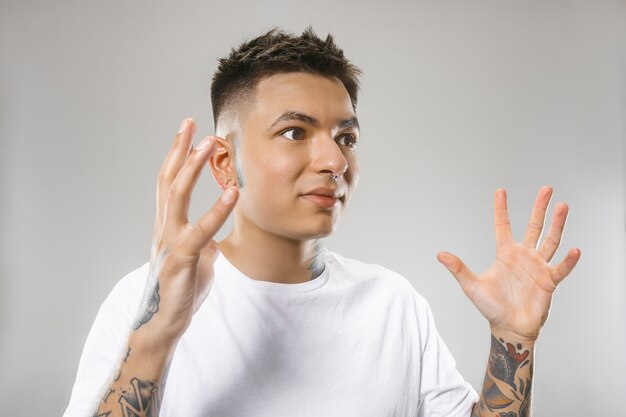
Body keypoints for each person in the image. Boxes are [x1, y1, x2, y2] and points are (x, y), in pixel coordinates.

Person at [63, 28, 580, 417]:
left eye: (347, 137)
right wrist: (157, 335)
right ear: (224, 162)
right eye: (294, 132)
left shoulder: (392, 304)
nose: (334, 161)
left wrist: (512, 341)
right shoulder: (142, 302)